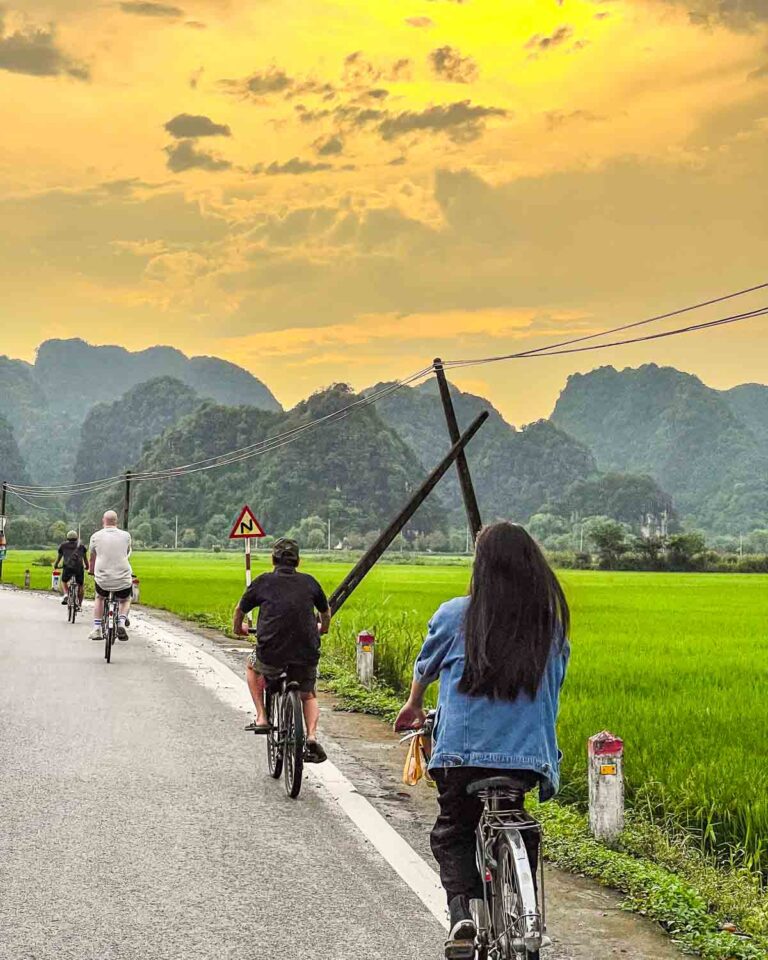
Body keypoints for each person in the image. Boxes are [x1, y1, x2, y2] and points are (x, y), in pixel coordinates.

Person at [395, 521, 570, 950]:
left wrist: (414, 705)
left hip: (462, 758)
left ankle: (462, 915)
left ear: (482, 567)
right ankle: (522, 905)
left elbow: (426, 668)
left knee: (454, 830)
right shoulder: (549, 625)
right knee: (515, 814)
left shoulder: (456, 615)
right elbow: (554, 687)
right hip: (527, 757)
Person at [233, 537, 331, 763]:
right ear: (298, 561)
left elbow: (240, 609)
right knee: (308, 694)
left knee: (252, 666)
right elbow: (325, 613)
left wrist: (239, 629)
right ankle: (312, 737)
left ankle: (261, 717)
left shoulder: (263, 582)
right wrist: (322, 629)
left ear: (273, 559)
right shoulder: (310, 582)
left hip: (271, 652)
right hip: (306, 652)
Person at [87, 510, 133, 641]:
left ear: (103, 520)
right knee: (125, 600)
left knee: (100, 597)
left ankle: (97, 629)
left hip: (102, 578)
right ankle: (121, 622)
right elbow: (126, 552)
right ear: (116, 521)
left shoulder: (95, 536)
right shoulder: (126, 536)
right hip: (123, 577)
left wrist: (91, 570)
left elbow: (92, 557)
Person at [55, 531, 88, 609]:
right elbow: (85, 559)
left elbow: (59, 557)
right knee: (80, 585)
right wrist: (87, 566)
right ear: (76, 538)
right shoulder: (81, 546)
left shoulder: (63, 545)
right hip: (79, 568)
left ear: (67, 538)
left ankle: (66, 594)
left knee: (64, 581)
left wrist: (56, 565)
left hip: (67, 567)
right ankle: (79, 605)